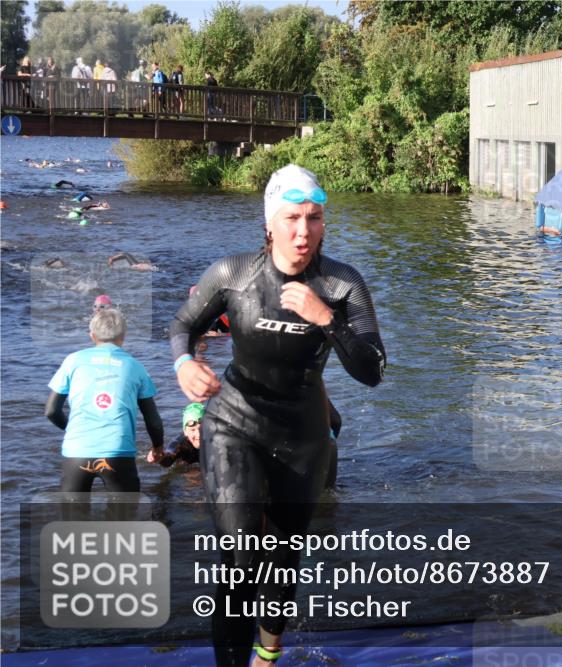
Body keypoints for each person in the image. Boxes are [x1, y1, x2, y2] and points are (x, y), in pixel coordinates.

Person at [170, 164, 385, 666]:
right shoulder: (234, 273)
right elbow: (183, 322)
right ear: (270, 223)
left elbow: (372, 371)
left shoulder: (341, 284)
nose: (302, 231)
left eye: (313, 218)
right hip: (233, 424)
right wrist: (184, 363)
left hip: (302, 435)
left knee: (284, 561)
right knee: (240, 558)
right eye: (291, 218)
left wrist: (326, 319)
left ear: (324, 223)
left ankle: (268, 652)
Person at [45, 308, 164, 492]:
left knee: (74, 519)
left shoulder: (73, 361)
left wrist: (72, 430)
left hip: (76, 452)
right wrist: (158, 447)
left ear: (92, 335)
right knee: (123, 518)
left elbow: (51, 411)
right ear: (123, 336)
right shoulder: (135, 366)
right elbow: (153, 420)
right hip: (118, 452)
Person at [151, 402, 204, 467]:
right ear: (185, 432)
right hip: (188, 469)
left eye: (202, 429)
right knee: (193, 473)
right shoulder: (180, 445)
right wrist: (159, 456)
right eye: (192, 430)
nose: (198, 434)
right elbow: (168, 458)